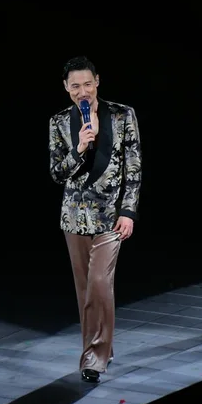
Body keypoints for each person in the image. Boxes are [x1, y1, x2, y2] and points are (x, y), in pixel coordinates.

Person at [48, 56, 142, 383]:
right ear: (66, 88)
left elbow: (134, 167)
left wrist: (128, 211)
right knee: (84, 291)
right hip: (73, 219)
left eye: (87, 83)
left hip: (109, 217)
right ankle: (101, 349)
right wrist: (78, 148)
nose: (82, 91)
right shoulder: (59, 122)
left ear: (97, 81)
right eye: (75, 86)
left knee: (100, 284)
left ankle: (94, 359)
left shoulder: (122, 115)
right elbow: (57, 173)